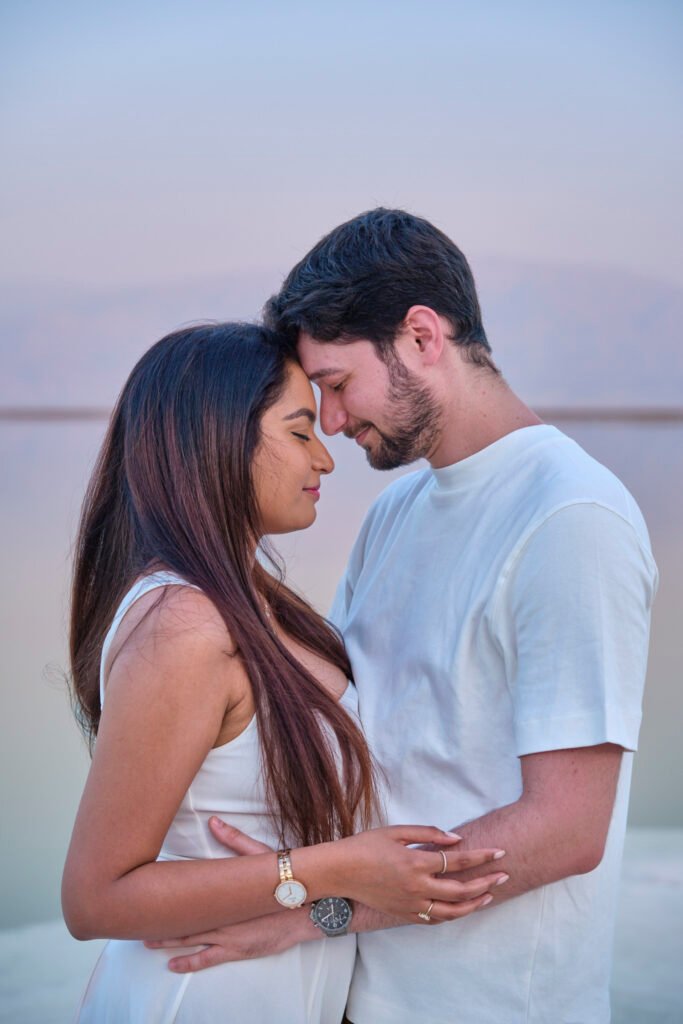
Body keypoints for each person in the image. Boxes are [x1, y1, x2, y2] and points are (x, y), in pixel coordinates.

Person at [151, 212, 658, 1024]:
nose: (334, 422)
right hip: (358, 994)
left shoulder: (570, 516)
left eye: (339, 385)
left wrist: (308, 911)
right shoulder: (398, 513)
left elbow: (565, 828)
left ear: (422, 336)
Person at [62, 321, 506, 1024]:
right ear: (216, 437)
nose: (324, 460)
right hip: (196, 995)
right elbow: (95, 898)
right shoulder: (183, 624)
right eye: (299, 431)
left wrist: (324, 903)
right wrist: (340, 869)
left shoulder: (257, 603)